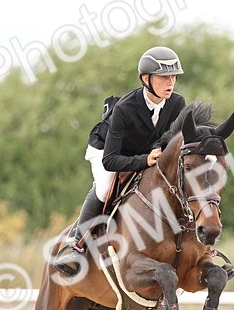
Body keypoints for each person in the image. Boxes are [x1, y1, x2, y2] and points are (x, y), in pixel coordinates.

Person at [52, 46, 187, 276]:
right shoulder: (125, 108)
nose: (170, 82)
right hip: (107, 150)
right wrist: (145, 160)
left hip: (146, 151)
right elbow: (111, 161)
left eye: (173, 77)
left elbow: (171, 141)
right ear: (146, 78)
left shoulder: (177, 104)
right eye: (164, 77)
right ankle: (75, 243)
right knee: (105, 188)